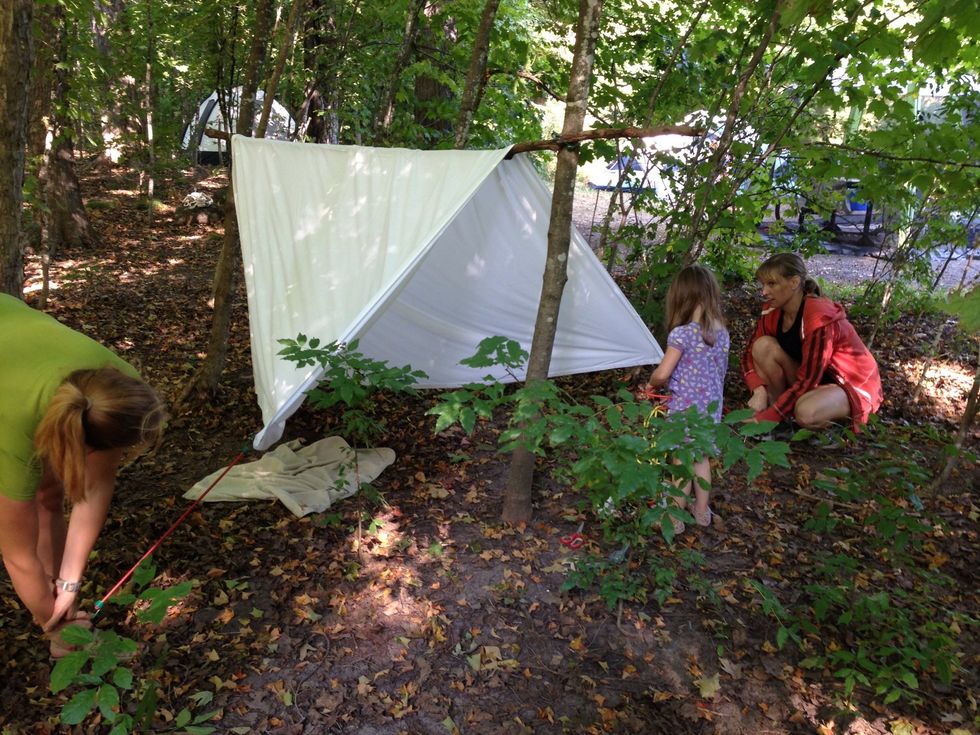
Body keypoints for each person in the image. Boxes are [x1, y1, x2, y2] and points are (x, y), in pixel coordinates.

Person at [0, 293, 166, 655]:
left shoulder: (117, 387)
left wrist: (69, 583)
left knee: (48, 494)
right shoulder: (12, 437)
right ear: (88, 447)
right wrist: (55, 626)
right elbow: (17, 556)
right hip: (9, 396)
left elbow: (95, 485)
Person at [742, 252, 882, 432]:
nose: (764, 292)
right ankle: (779, 414)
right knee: (762, 346)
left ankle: (825, 422)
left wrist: (765, 419)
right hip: (812, 381)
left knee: (806, 413)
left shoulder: (818, 317)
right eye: (763, 284)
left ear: (794, 283)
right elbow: (748, 354)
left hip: (849, 386)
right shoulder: (772, 310)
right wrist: (759, 390)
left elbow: (808, 380)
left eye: (772, 284)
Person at [645, 264, 730, 532]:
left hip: (685, 411)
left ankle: (674, 518)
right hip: (710, 411)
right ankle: (702, 512)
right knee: (701, 458)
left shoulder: (682, 334)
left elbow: (663, 373)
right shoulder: (721, 332)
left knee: (681, 461)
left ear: (681, 296)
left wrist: (651, 383)